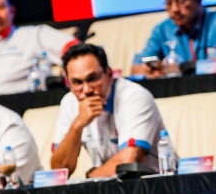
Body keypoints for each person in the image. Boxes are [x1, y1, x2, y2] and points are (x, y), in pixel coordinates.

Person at [53, 44, 167, 177]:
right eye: (77, 82)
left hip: (155, 187)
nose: (86, 90)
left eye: (92, 79)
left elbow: (129, 163)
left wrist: (91, 176)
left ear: (109, 74)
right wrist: (77, 125)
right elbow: (59, 169)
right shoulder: (69, 102)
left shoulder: (134, 97)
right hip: (108, 190)